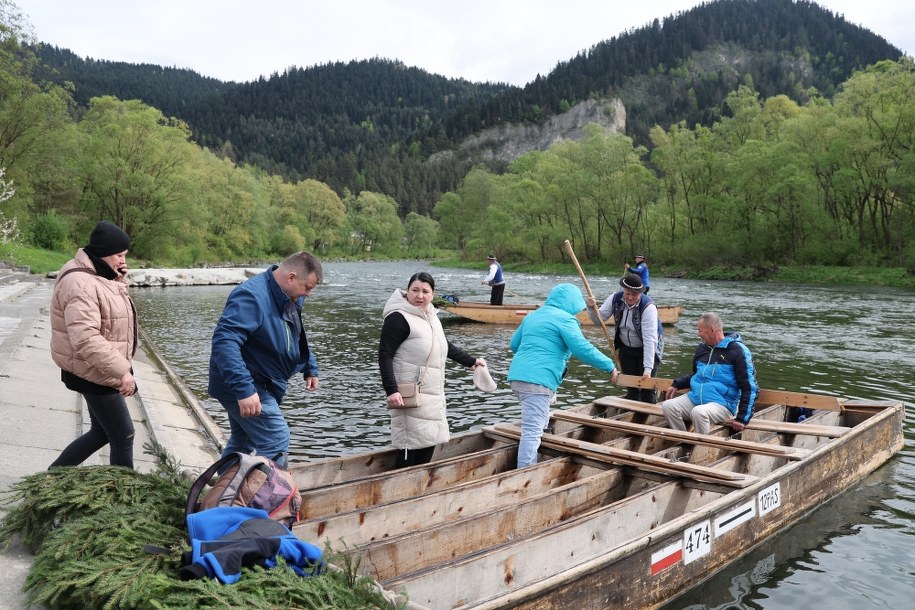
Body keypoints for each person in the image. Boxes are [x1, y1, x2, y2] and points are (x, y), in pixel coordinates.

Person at [208, 251, 323, 468]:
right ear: (291, 277)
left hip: (263, 381)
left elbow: (294, 333)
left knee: (242, 441)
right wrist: (244, 390)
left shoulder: (289, 296)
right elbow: (225, 342)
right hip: (248, 384)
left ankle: (223, 493)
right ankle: (264, 498)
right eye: (307, 288)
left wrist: (309, 365)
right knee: (276, 439)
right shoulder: (252, 296)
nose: (308, 294)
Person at [49, 220, 138, 469]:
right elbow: (86, 338)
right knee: (123, 434)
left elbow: (110, 312)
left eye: (125, 255)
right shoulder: (80, 283)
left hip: (96, 367)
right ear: (103, 253)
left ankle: (52, 477)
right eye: (119, 255)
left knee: (101, 432)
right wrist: (122, 371)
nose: (123, 260)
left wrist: (118, 280)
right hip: (93, 370)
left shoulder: (97, 274)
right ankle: (121, 498)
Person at [379, 272, 486, 468]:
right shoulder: (398, 318)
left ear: (433, 294)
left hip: (432, 393)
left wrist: (471, 361)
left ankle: (417, 488)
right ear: (407, 290)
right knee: (408, 446)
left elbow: (443, 345)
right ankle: (402, 490)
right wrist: (391, 389)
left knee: (428, 442)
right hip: (409, 394)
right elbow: (385, 354)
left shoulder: (431, 316)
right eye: (415, 290)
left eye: (425, 291)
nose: (420, 296)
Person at [507, 283, 619, 469]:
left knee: (538, 421)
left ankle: (537, 456)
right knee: (532, 432)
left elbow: (514, 344)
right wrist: (609, 365)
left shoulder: (533, 315)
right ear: (572, 303)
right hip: (538, 381)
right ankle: (524, 471)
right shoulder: (565, 319)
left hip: (518, 377)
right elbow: (581, 348)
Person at [661, 312, 758, 435]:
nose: (698, 334)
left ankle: (702, 448)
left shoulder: (738, 351)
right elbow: (697, 374)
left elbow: (749, 387)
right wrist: (677, 383)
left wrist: (743, 418)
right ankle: (684, 442)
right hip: (696, 399)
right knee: (668, 406)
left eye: (700, 330)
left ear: (712, 329)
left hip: (723, 404)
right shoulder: (702, 349)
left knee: (699, 412)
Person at [586, 273, 662, 403]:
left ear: (640, 293)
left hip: (648, 348)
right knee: (631, 387)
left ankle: (646, 417)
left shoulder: (648, 307)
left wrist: (647, 369)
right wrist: (592, 308)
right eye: (627, 293)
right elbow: (599, 320)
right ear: (623, 290)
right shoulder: (615, 298)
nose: (630, 297)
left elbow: (650, 340)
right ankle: (633, 412)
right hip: (626, 348)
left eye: (634, 294)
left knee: (646, 388)